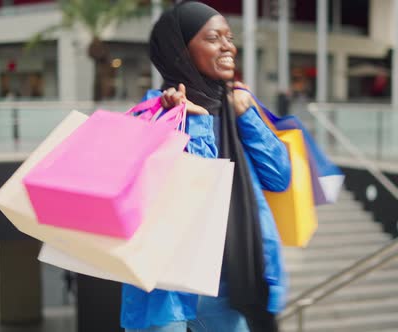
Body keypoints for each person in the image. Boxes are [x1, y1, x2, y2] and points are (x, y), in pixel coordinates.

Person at [120, 2, 291, 332]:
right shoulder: (155, 115)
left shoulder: (236, 107)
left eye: (230, 37)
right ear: (180, 51)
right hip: (169, 283)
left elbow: (279, 176)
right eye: (214, 38)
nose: (229, 47)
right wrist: (194, 122)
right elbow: (196, 197)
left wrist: (248, 116)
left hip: (231, 279)